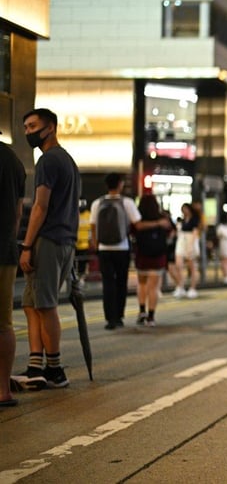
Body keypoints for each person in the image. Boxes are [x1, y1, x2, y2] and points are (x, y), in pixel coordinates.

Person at [13, 108, 81, 390]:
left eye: (33, 126)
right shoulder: (67, 160)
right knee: (32, 305)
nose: (29, 132)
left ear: (50, 127)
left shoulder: (48, 161)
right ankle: (35, 367)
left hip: (48, 241)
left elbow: (40, 206)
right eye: (26, 127)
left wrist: (27, 245)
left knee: (45, 304)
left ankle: (54, 370)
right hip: (65, 240)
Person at [90, 172, 143, 330]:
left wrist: (96, 244)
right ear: (120, 184)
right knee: (121, 282)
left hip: (104, 248)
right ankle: (119, 316)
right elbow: (137, 223)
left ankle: (110, 319)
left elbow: (93, 226)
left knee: (108, 283)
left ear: (106, 185)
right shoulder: (126, 202)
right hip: (122, 247)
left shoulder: (97, 203)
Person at [0, 138, 25, 406]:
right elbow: (18, 213)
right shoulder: (13, 161)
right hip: (5, 251)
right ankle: (3, 391)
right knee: (4, 323)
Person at [133, 194, 173, 326]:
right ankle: (151, 317)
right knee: (154, 287)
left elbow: (133, 231)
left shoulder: (138, 218)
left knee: (142, 284)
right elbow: (171, 231)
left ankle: (141, 311)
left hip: (142, 255)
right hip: (158, 256)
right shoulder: (162, 218)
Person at [173, 202, 201, 298]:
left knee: (192, 266)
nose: (184, 211)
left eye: (185, 209)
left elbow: (195, 232)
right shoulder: (182, 220)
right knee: (178, 265)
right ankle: (180, 286)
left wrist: (191, 245)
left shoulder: (194, 219)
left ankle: (192, 288)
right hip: (181, 241)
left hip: (190, 241)